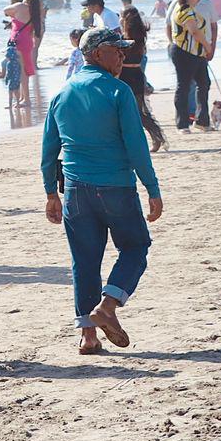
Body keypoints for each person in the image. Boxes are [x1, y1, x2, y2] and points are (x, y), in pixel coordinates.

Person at [41, 29, 164, 356]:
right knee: (136, 246)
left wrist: (51, 193)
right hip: (116, 188)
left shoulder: (62, 94)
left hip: (77, 191)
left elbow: (48, 150)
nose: (123, 56)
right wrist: (152, 188)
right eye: (117, 50)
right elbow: (136, 146)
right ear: (96, 54)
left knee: (84, 261)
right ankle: (108, 305)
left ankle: (89, 337)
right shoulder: (118, 92)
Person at [117, 8, 166, 152]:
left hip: (126, 76)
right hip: (137, 75)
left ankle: (156, 137)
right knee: (140, 111)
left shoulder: (126, 41)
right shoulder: (139, 38)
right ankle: (156, 136)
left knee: (132, 112)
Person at [167, 0, 212, 133]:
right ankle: (182, 124)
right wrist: (207, 45)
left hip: (196, 53)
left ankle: (202, 120)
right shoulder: (184, 10)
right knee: (184, 86)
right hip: (184, 52)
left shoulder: (189, 9)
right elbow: (194, 31)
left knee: (204, 83)